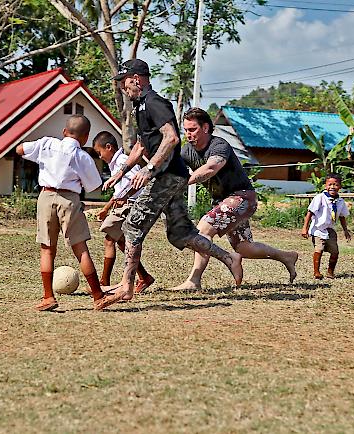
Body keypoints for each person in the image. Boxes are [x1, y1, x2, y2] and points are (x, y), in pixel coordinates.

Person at [98, 59, 243, 309]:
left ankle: (126, 286)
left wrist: (150, 167)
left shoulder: (154, 102)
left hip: (166, 176)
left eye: (124, 83)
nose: (123, 88)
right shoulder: (140, 107)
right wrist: (121, 171)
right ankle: (229, 258)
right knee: (181, 233)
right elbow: (142, 145)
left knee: (132, 224)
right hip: (171, 176)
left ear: (137, 79)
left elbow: (172, 137)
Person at [171, 107, 299, 291]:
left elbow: (211, 168)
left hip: (242, 198)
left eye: (192, 130)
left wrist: (184, 183)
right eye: (186, 130)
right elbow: (175, 171)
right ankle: (286, 256)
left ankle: (194, 280)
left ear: (205, 127)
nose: (188, 134)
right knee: (244, 247)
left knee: (202, 231)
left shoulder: (219, 145)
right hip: (224, 203)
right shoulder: (187, 152)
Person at [15, 114, 110, 311]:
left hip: (46, 197)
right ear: (85, 137)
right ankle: (97, 295)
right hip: (70, 199)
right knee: (80, 248)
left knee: (47, 248)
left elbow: (20, 149)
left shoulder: (47, 144)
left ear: (64, 132)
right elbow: (94, 185)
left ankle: (48, 297)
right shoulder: (82, 156)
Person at [92, 131, 155, 293]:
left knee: (109, 239)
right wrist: (106, 209)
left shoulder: (121, 161)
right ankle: (144, 276)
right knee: (121, 242)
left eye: (100, 153)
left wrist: (126, 198)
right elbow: (118, 193)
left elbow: (138, 181)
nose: (100, 157)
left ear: (109, 147)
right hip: (124, 205)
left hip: (130, 206)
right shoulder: (116, 164)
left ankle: (104, 281)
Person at [301, 174, 352, 279]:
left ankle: (330, 272)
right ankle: (316, 272)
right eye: (330, 184)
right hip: (318, 229)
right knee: (318, 249)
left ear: (340, 187)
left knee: (335, 252)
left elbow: (342, 217)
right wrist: (305, 228)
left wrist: (345, 231)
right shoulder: (320, 198)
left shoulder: (341, 202)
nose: (332, 187)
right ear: (325, 185)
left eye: (336, 184)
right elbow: (310, 212)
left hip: (330, 230)